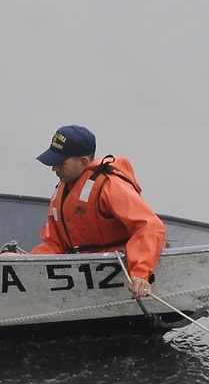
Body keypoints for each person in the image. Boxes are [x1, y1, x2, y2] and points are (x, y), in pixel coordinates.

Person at [23, 125, 166, 299]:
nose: (55, 169)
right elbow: (55, 243)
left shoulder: (109, 186)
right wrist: (25, 264)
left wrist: (140, 273)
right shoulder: (63, 189)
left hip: (115, 266)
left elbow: (150, 227)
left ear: (82, 162)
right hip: (82, 274)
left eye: (61, 163)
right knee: (11, 257)